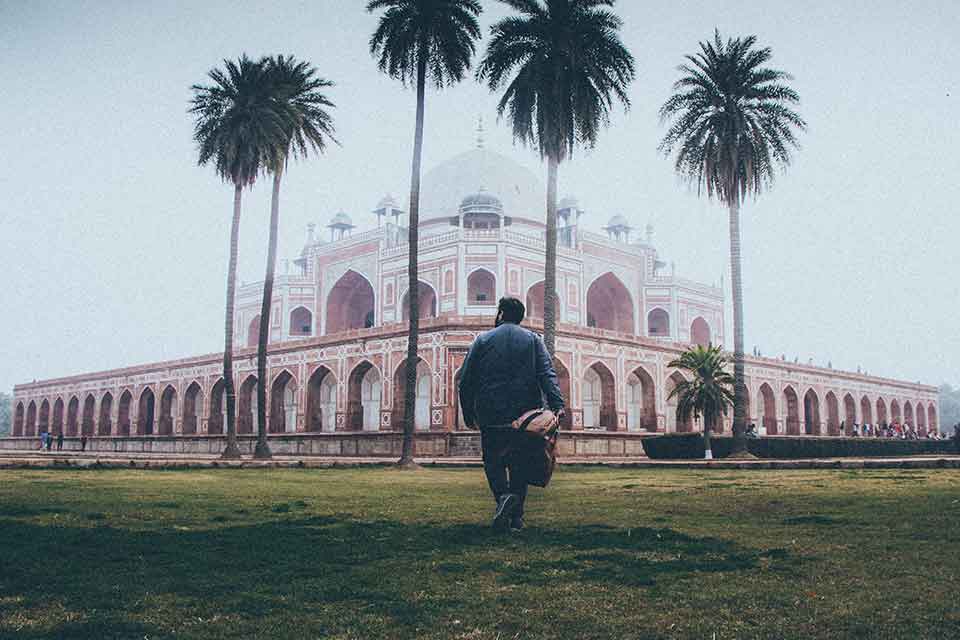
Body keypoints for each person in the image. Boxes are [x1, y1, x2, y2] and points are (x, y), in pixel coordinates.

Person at [458, 296, 565, 531]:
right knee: (519, 464)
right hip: (525, 414)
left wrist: (468, 411)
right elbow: (547, 374)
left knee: (493, 461)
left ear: (501, 314)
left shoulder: (483, 340)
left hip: (491, 413)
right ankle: (516, 518)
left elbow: (466, 380)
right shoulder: (533, 341)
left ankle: (503, 498)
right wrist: (558, 405)